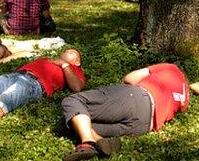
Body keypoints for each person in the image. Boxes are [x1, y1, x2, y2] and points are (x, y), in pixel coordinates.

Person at [61, 63, 189, 161]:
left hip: (139, 98)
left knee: (73, 101)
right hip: (143, 126)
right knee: (74, 124)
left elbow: (129, 78)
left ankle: (88, 142)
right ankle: (100, 141)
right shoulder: (185, 100)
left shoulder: (171, 68)